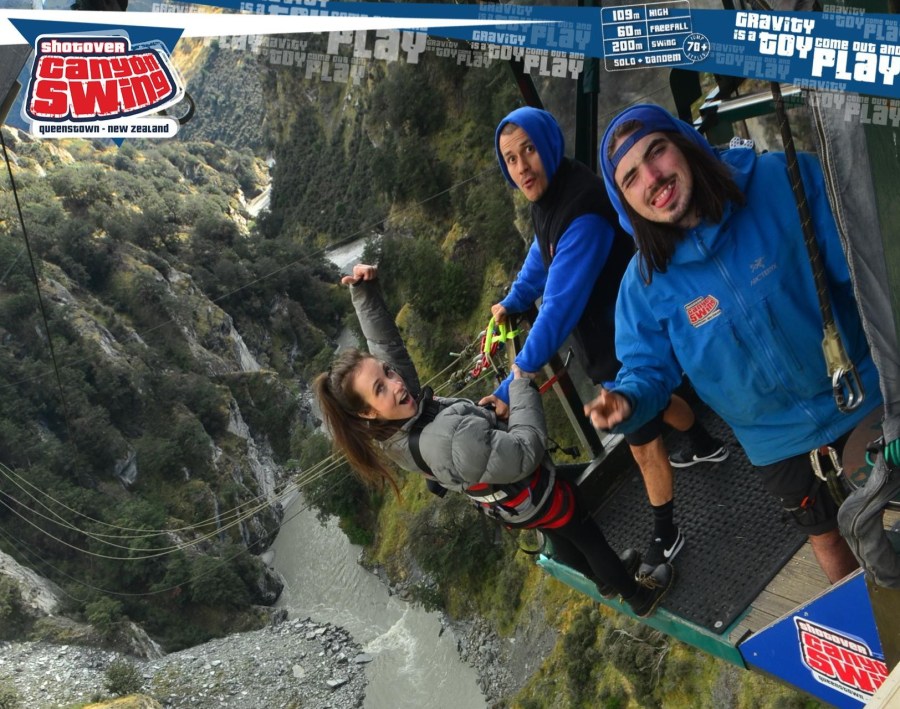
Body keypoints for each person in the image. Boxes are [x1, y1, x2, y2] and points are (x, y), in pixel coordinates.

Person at [587, 103, 884, 582]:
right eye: (631, 178)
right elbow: (648, 371)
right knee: (826, 535)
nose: (653, 178)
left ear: (684, 145)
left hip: (863, 390)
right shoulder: (643, 285)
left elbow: (864, 269)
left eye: (657, 152)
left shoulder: (781, 180)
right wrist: (629, 400)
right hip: (776, 442)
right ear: (626, 204)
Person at [314, 263, 674, 617]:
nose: (395, 383)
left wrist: (363, 293)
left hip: (511, 501)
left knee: (560, 533)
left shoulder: (389, 427)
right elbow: (526, 451)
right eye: (380, 388)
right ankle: (636, 596)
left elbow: (385, 347)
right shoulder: (443, 439)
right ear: (367, 412)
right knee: (582, 531)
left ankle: (604, 579)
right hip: (529, 486)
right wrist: (520, 385)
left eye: (388, 374)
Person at [483, 106, 726, 578]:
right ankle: (701, 441)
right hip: (610, 333)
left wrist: (519, 377)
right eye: (510, 159)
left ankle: (666, 533)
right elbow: (541, 252)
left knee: (640, 442)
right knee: (652, 404)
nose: (521, 167)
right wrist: (514, 300)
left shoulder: (583, 211)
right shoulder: (555, 195)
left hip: (626, 336)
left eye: (529, 150)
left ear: (549, 145)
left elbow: (560, 305)